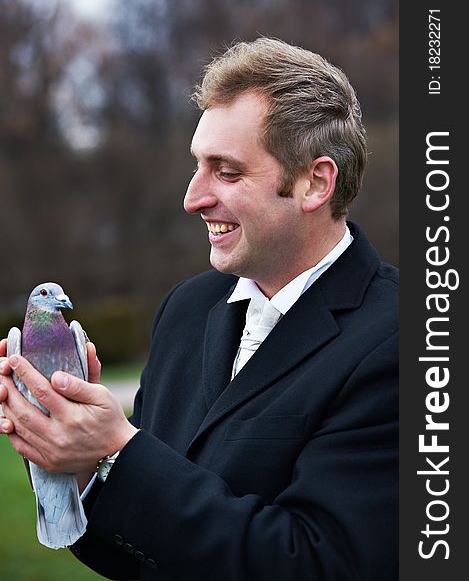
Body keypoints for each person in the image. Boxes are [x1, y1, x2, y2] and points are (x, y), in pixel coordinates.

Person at [0, 38, 398, 580]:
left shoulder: (404, 339)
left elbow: (321, 563)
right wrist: (74, 459)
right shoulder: (187, 309)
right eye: (197, 166)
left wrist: (120, 449)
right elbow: (135, 553)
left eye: (226, 172)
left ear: (315, 183)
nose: (193, 197)